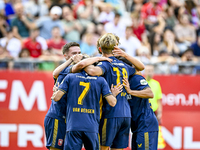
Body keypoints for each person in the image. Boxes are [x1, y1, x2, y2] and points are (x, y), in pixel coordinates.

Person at [81, 33, 145, 150]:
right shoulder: (124, 65)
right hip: (126, 114)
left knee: (102, 147)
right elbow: (140, 68)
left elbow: (93, 71)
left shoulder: (105, 63)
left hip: (110, 113)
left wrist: (81, 62)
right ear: (115, 48)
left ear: (100, 49)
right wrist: (125, 55)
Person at [51, 66, 119, 150]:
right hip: (91, 127)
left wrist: (55, 92)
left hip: (73, 126)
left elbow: (56, 98)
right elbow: (112, 103)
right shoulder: (100, 80)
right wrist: (114, 95)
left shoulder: (70, 77)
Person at [44, 42, 82, 150]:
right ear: (65, 56)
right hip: (58, 117)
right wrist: (72, 60)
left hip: (71, 120)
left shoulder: (81, 72)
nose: (78, 55)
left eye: (79, 53)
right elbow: (55, 73)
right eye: (74, 53)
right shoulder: (65, 71)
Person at [121, 58, 158, 150]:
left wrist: (130, 91)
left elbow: (150, 93)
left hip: (146, 125)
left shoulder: (136, 78)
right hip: (137, 127)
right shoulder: (123, 81)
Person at [144, 64, 166, 149]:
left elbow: (158, 99)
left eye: (151, 70)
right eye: (148, 70)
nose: (149, 72)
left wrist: (160, 113)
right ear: (145, 72)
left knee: (154, 132)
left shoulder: (156, 84)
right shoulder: (142, 82)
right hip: (144, 111)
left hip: (154, 112)